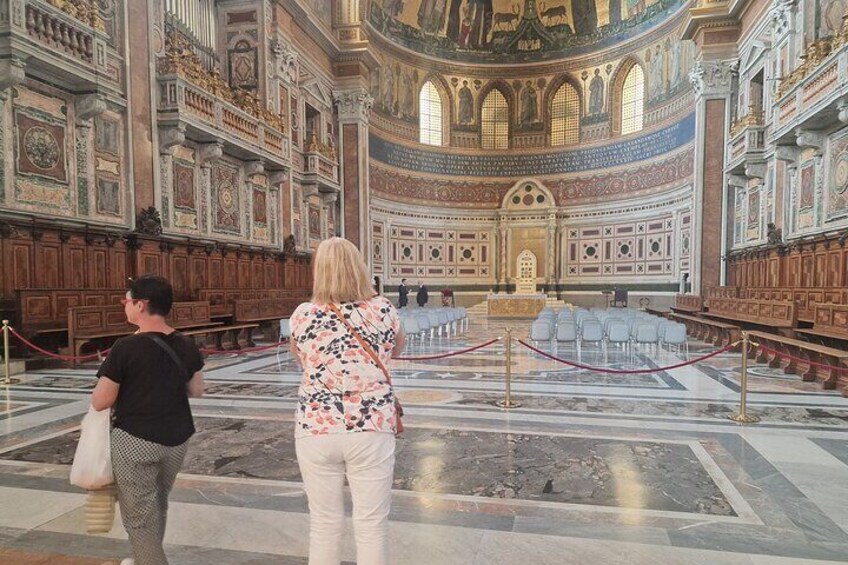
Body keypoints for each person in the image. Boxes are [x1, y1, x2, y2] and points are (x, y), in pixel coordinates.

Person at [290, 237, 404, 565]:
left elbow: (301, 358)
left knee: (324, 524)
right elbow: (396, 350)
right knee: (371, 525)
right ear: (359, 267)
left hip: (316, 426)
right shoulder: (383, 309)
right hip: (371, 426)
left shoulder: (303, 314)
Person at [90, 275, 205, 565]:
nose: (125, 306)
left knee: (139, 518)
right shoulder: (185, 342)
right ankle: (144, 558)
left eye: (126, 301)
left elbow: (101, 401)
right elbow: (197, 389)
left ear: (141, 305)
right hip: (177, 439)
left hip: (136, 440)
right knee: (157, 503)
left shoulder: (125, 347)